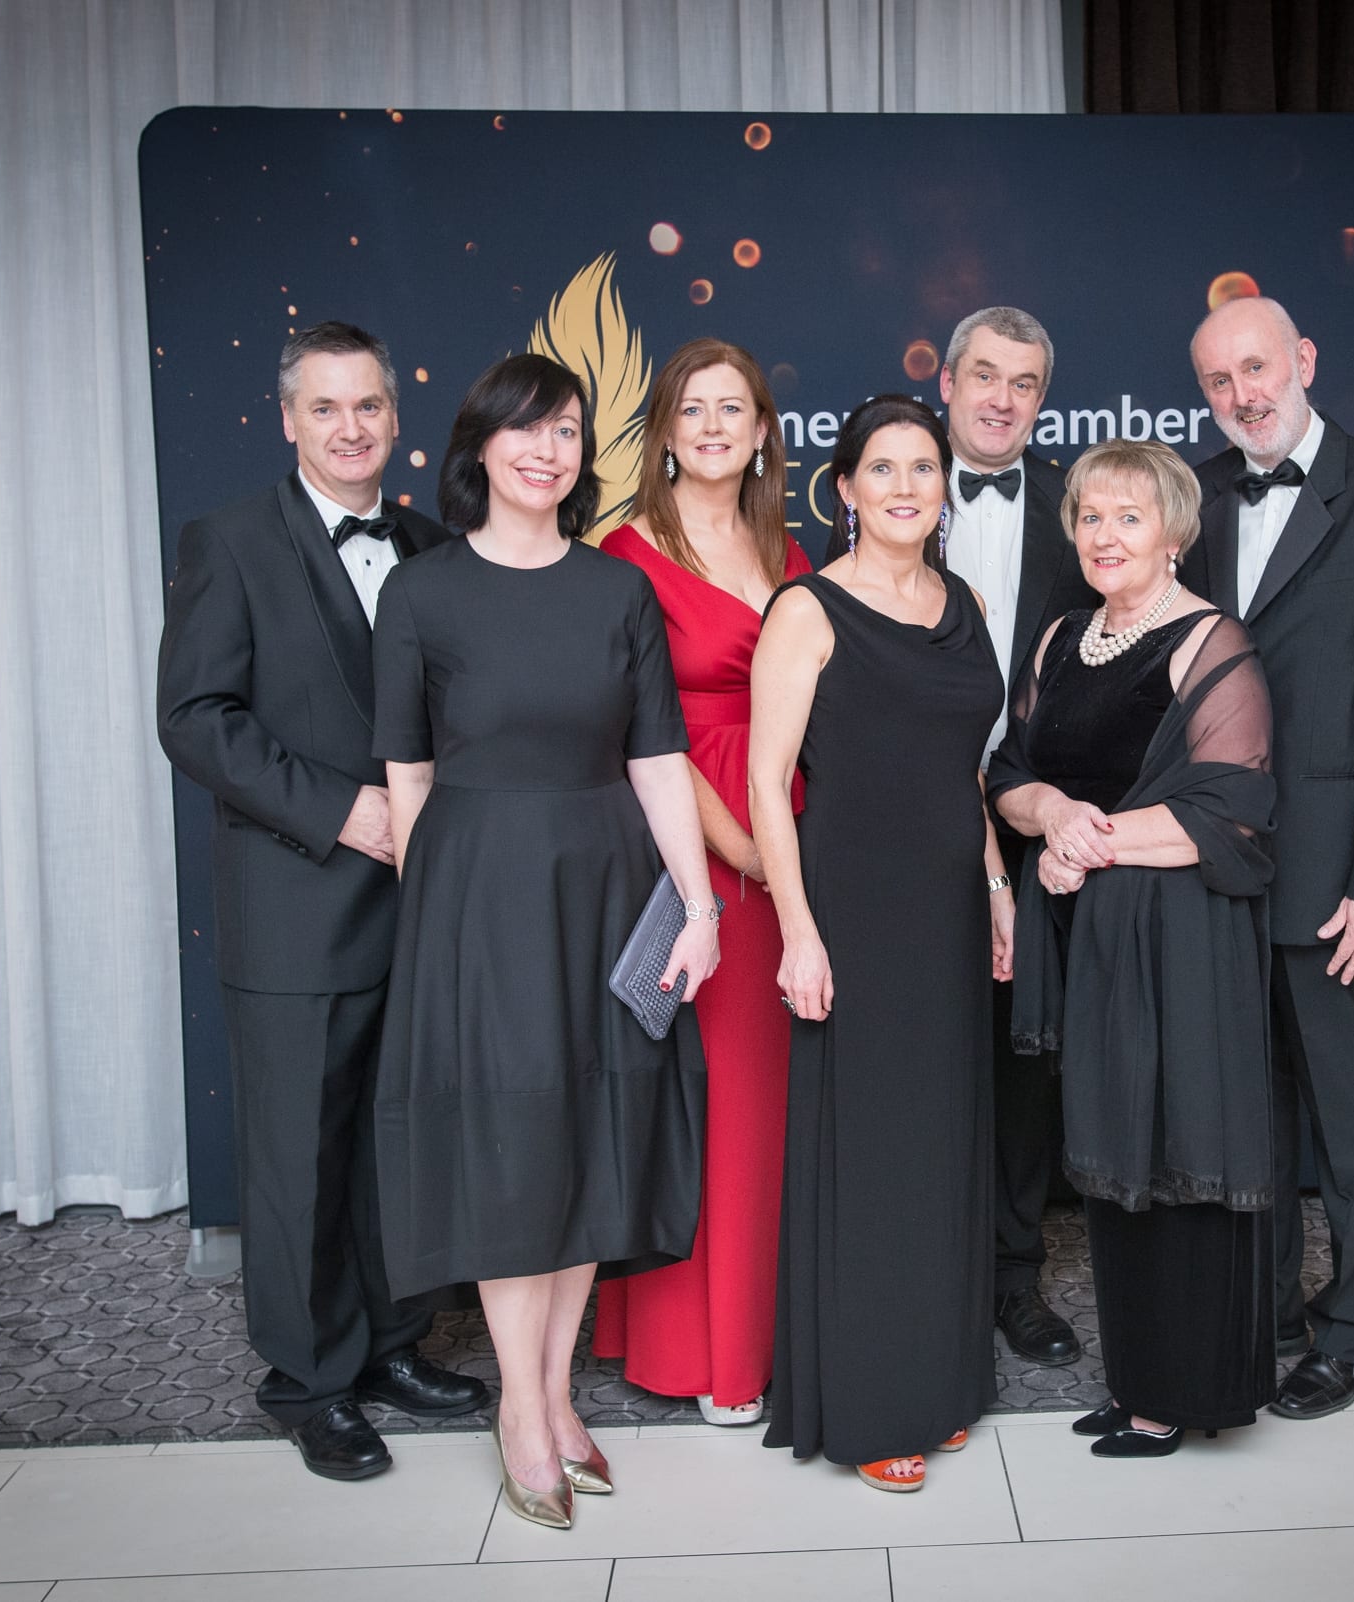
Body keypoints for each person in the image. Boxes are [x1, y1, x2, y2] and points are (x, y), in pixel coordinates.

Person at [370, 353, 719, 1529]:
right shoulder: (420, 597)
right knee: (514, 1151)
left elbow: (657, 755)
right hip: (478, 900)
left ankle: (558, 1394)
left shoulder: (615, 591)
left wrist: (702, 904)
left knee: (583, 1138)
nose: (547, 450)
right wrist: (436, 923)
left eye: (567, 431)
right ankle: (521, 1408)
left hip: (606, 890)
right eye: (525, 430)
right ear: (479, 448)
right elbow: (407, 775)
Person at [156, 321, 487, 1482]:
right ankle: (308, 1381)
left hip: (423, 906)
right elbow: (195, 720)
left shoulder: (435, 544)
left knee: (396, 1142)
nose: (351, 429)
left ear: (397, 419)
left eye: (369, 408)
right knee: (299, 1154)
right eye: (326, 409)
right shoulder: (233, 541)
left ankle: (392, 1341)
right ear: (287, 419)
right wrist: (345, 811)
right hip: (300, 901)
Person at [1177, 296, 1354, 1421]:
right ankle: (1275, 1310)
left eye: (1257, 369)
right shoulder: (1194, 499)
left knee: (1347, 1112)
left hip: (1336, 872)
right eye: (1218, 382)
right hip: (1216, 867)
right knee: (1250, 1107)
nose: (1242, 396)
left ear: (1303, 360)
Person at [990, 440, 1278, 1457]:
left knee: (1178, 1154)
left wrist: (1088, 841)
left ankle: (1181, 1394)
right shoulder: (1062, 636)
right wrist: (1054, 813)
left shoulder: (1212, 642)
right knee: (1115, 1158)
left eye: (1129, 518)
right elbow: (1009, 773)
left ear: (1175, 534)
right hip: (1091, 942)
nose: (1104, 537)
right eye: (1089, 518)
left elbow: (1235, 813)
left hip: (1180, 944)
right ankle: (1136, 1381)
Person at [749, 394, 1012, 1493]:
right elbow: (767, 782)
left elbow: (970, 769)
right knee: (872, 1155)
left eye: (923, 467)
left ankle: (939, 1379)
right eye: (883, 469)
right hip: (852, 912)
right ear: (844, 487)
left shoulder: (968, 602)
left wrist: (996, 880)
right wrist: (798, 934)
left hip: (949, 909)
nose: (906, 487)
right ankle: (869, 1403)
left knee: (945, 1146)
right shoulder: (806, 609)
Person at [593, 340, 810, 1426]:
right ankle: (704, 1351)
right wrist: (735, 851)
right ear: (665, 432)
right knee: (711, 1095)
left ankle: (773, 1333)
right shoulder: (626, 555)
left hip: (794, 833)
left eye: (737, 407)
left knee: (777, 1099)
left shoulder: (792, 548)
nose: (716, 425)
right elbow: (645, 729)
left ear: (765, 431)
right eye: (694, 409)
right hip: (693, 839)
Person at [937, 307, 1100, 1368]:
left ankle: (1010, 1279)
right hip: (899, 817)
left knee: (1021, 1062)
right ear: (946, 381)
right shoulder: (872, 489)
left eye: (1025, 382)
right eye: (985, 375)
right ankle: (916, 1272)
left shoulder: (1079, 512)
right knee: (914, 1057)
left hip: (1035, 822)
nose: (1001, 398)